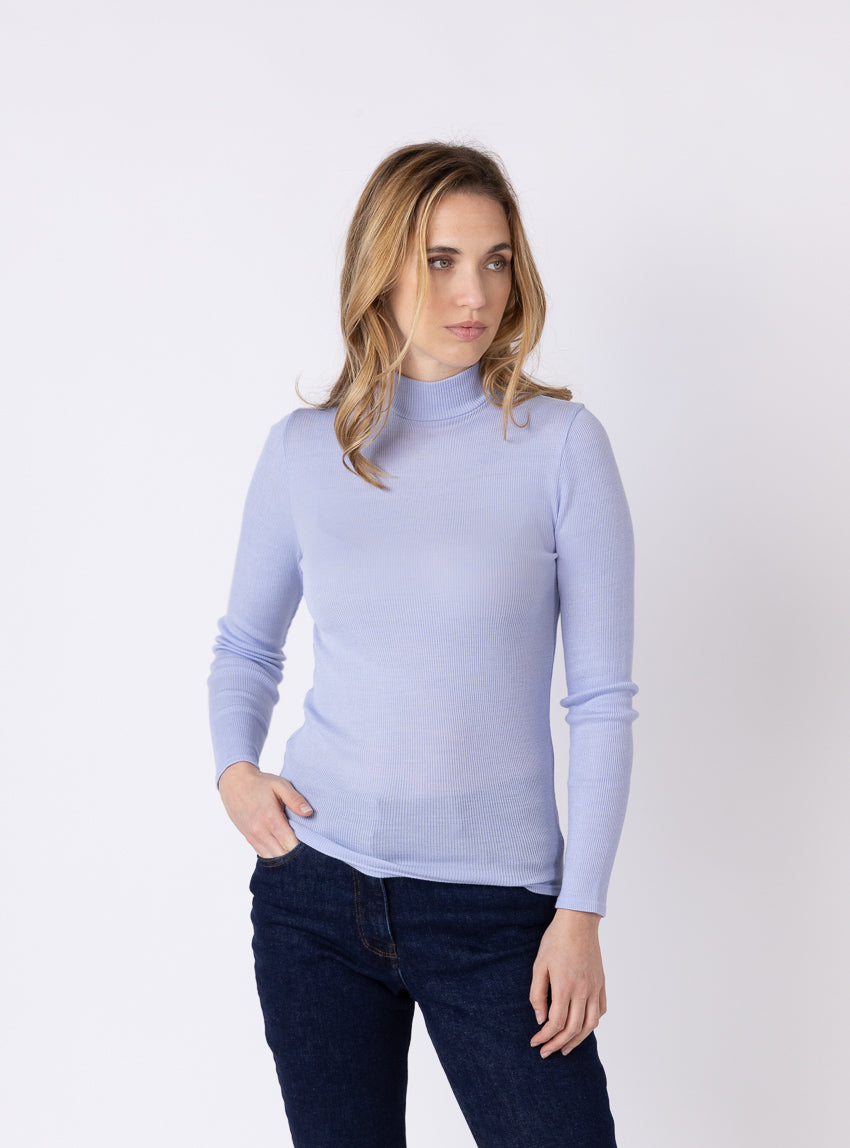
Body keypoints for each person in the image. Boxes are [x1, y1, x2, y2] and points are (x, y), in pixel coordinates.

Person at [207, 140, 639, 1148]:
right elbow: (245, 646)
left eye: (495, 260)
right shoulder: (304, 451)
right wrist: (235, 768)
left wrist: (580, 912)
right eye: (440, 260)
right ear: (381, 267)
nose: (474, 292)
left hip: (497, 915)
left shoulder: (561, 447)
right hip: (315, 892)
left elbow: (601, 700)